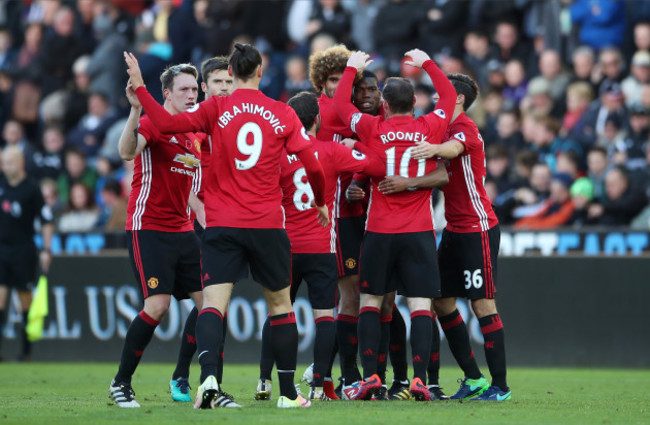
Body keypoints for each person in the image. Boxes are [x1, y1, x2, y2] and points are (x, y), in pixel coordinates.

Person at [125, 43, 328, 409]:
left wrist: (141, 89)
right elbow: (312, 164)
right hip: (267, 223)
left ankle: (209, 382)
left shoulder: (215, 107)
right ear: (260, 72)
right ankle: (287, 394)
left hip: (222, 225)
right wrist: (320, 200)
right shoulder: (281, 112)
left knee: (213, 307)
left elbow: (168, 123)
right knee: (281, 306)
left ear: (231, 74)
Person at [334, 49, 456, 401]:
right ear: (415, 102)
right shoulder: (429, 126)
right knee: (420, 305)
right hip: (418, 231)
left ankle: (371, 376)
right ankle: (419, 380)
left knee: (370, 301)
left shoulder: (373, 127)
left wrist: (351, 68)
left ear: (384, 104)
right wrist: (428, 63)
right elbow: (448, 96)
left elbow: (343, 105)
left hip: (379, 232)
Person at [257, 91, 383, 401]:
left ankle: (264, 381)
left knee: (277, 311)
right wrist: (355, 145)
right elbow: (375, 165)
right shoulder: (330, 151)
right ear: (318, 120)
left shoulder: (275, 153)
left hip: (284, 246)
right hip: (320, 247)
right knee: (325, 315)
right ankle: (318, 385)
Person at [109, 63, 211, 408]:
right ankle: (121, 382)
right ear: (166, 93)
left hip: (183, 230)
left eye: (194, 89)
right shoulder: (153, 123)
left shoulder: (192, 132)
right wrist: (136, 109)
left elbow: (193, 191)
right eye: (183, 89)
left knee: (210, 303)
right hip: (148, 227)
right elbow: (126, 152)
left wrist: (204, 218)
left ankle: (200, 381)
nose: (191, 95)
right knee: (157, 305)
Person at [410, 73, 511, 401]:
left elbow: (453, 150)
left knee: (482, 304)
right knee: (441, 300)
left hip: (477, 228)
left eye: (443, 92)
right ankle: (474, 377)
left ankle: (500, 387)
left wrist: (431, 149)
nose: (437, 96)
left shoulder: (464, 128)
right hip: (453, 228)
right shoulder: (443, 127)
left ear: (458, 99)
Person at [167, 55, 234, 404]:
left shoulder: (240, 122)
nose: (224, 87)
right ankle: (191, 377)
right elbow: (184, 176)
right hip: (205, 222)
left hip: (233, 221)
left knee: (213, 304)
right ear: (205, 87)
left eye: (228, 81)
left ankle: (194, 378)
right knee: (213, 303)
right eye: (218, 83)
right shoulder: (196, 125)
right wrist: (199, 209)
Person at [308, 44, 365, 399]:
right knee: (350, 296)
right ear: (321, 81)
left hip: (358, 212)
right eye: (331, 79)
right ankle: (346, 375)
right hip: (336, 214)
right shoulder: (325, 109)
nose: (336, 85)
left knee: (356, 297)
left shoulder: (353, 110)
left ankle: (327, 373)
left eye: (341, 79)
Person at [0, 146, 54, 362]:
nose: (5, 167)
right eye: (3, 162)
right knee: (1, 300)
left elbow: (46, 219)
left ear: (20, 163)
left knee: (25, 300)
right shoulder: (1, 184)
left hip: (23, 250)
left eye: (9, 162)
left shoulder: (31, 189)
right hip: (2, 249)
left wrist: (47, 249)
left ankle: (26, 351)